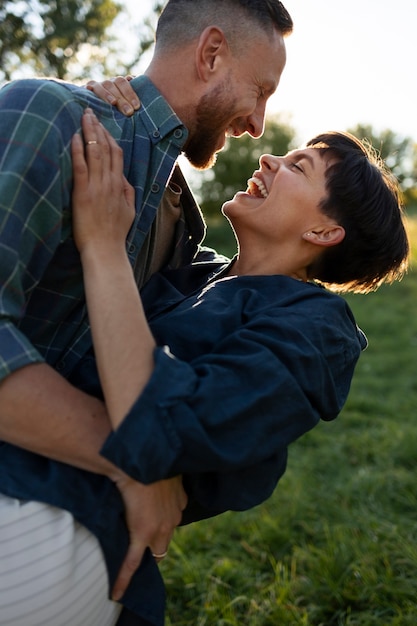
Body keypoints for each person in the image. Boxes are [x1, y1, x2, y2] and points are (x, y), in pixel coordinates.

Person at [0, 109, 409, 625]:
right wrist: (119, 98)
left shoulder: (316, 333)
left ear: (324, 230)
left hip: (57, 526)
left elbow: (159, 427)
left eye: (297, 167)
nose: (268, 157)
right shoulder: (197, 274)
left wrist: (103, 246)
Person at [0, 1, 293, 623]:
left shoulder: (178, 211)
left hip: (68, 517)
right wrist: (132, 461)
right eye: (260, 91)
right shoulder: (49, 115)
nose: (259, 125)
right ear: (211, 53)